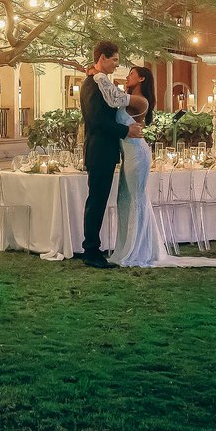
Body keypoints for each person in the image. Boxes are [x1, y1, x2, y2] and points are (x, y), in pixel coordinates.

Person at [92, 64, 216, 269]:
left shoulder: (141, 101)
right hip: (129, 155)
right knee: (126, 199)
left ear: (142, 79)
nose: (127, 76)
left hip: (137, 155)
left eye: (131, 74)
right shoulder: (131, 97)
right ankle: (128, 248)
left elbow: (115, 98)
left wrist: (99, 75)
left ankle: (138, 250)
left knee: (136, 199)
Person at [78, 40, 134, 269]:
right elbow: (97, 121)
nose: (116, 65)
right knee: (96, 201)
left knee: (99, 201)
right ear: (102, 58)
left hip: (106, 152)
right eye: (114, 60)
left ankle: (94, 248)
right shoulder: (92, 85)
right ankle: (91, 250)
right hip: (99, 151)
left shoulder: (103, 84)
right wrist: (125, 130)